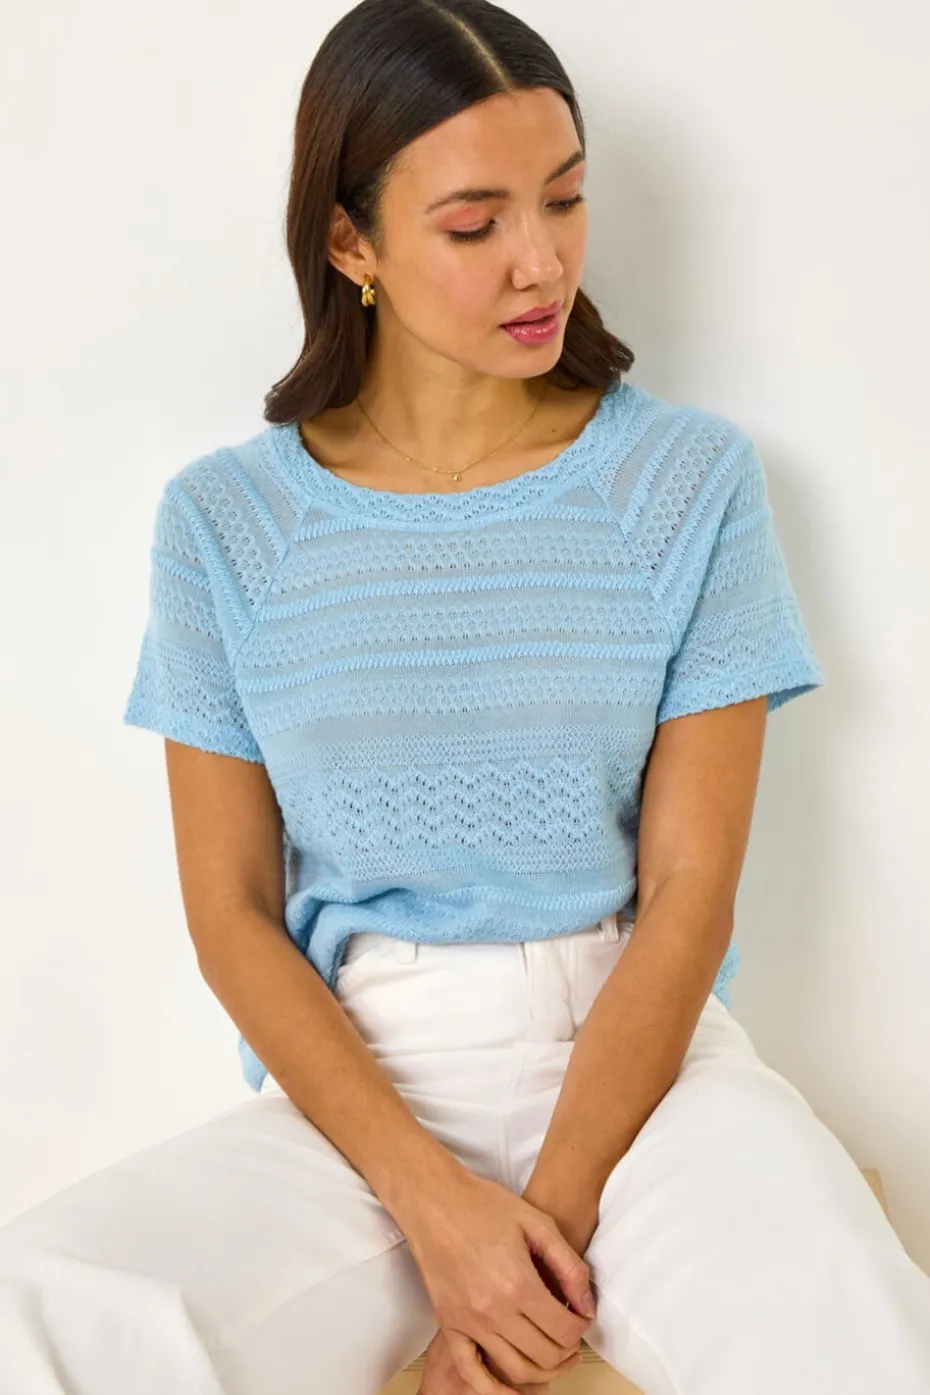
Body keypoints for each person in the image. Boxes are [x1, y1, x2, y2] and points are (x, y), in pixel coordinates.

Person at [3, 1, 930, 1392]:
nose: (539, 259)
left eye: (564, 198)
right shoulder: (223, 522)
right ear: (350, 242)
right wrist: (438, 1216)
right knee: (36, 1307)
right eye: (474, 222)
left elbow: (690, 890)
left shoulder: (686, 481)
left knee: (852, 1335)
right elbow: (232, 916)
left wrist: (528, 1248)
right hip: (360, 1099)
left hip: (647, 1072)